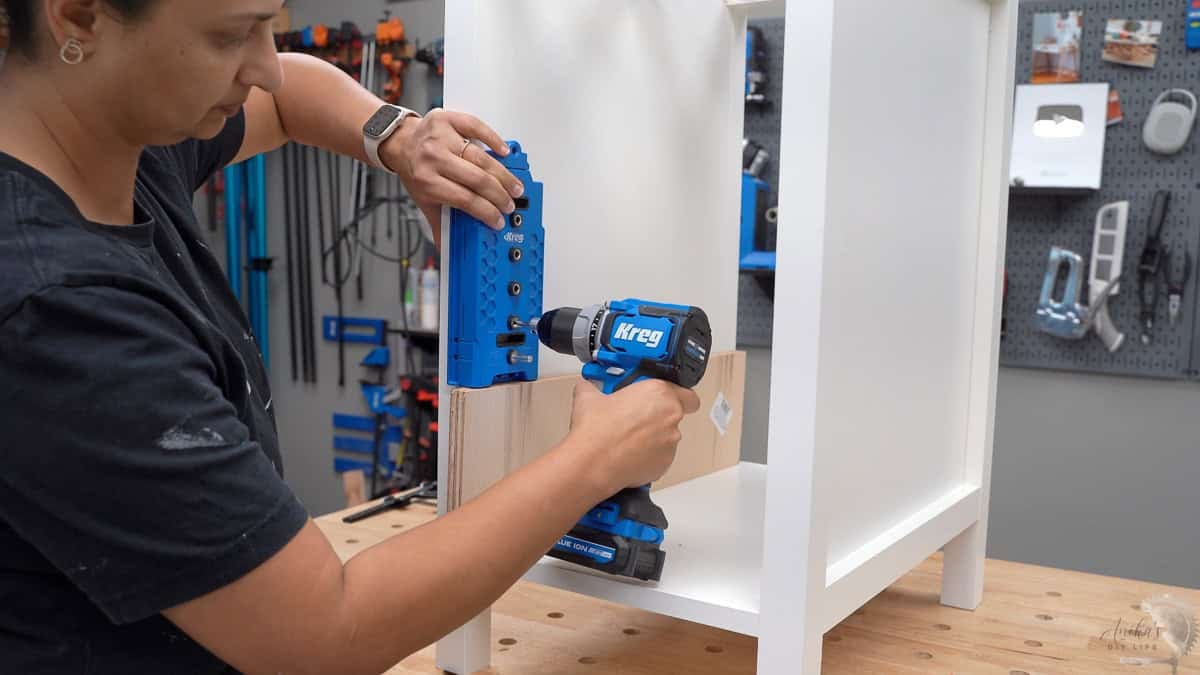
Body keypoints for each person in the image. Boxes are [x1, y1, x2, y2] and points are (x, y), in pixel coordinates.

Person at [0, 1, 701, 673]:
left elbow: (287, 98)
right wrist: (595, 458)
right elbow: (320, 638)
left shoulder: (115, 140)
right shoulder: (56, 310)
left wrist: (403, 138)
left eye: (268, 25)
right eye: (231, 35)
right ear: (80, 14)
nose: (266, 66)